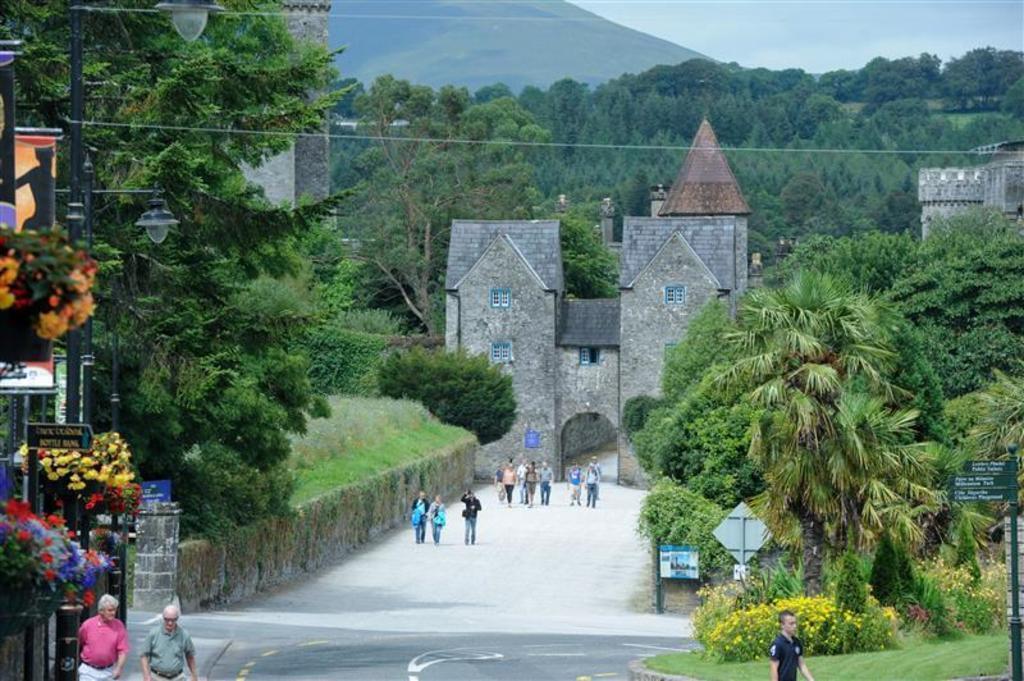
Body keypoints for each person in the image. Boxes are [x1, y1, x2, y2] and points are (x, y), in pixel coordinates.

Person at [140, 604, 198, 681]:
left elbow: (190, 656)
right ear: (163, 618)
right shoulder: (153, 633)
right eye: (167, 619)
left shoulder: (184, 635)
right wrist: (146, 676)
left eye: (173, 620)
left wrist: (194, 675)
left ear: (177, 618)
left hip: (178, 677)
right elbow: (144, 655)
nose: (170, 623)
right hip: (157, 677)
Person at [78, 593, 129, 681]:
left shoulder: (119, 626)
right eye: (110, 610)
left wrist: (119, 668)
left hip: (108, 671)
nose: (113, 613)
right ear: (101, 611)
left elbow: (122, 651)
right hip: (88, 671)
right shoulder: (88, 625)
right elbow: (80, 642)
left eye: (114, 610)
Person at [770, 609, 815, 681]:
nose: (795, 626)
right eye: (791, 623)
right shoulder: (777, 644)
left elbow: (801, 665)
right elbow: (774, 669)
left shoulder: (797, 642)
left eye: (795, 623)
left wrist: (811, 679)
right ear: (782, 625)